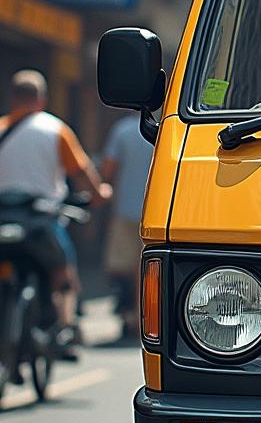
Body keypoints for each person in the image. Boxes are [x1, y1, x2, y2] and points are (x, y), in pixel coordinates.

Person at [0, 71, 111, 359]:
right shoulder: (55, 130)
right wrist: (99, 193)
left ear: (13, 97)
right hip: (41, 220)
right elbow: (82, 171)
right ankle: (64, 327)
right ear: (42, 98)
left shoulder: (1, 128)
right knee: (63, 269)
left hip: (2, 217)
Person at [100, 115, 153, 341]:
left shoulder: (122, 130)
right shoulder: (166, 129)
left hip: (125, 210)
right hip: (155, 211)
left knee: (121, 266)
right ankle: (143, 317)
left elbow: (108, 169)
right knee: (146, 268)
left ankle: (127, 314)